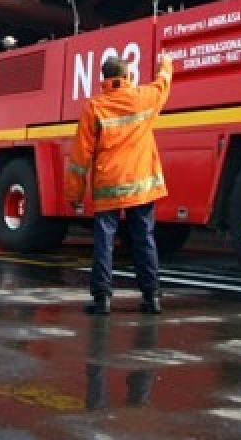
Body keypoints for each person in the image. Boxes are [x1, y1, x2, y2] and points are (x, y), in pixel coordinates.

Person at [66, 53, 174, 316]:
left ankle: (102, 299)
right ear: (127, 77)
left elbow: (81, 155)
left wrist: (75, 192)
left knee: (104, 240)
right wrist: (165, 64)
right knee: (144, 238)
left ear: (104, 79)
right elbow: (163, 84)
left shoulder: (95, 107)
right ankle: (152, 298)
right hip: (141, 185)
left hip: (108, 185)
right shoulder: (142, 98)